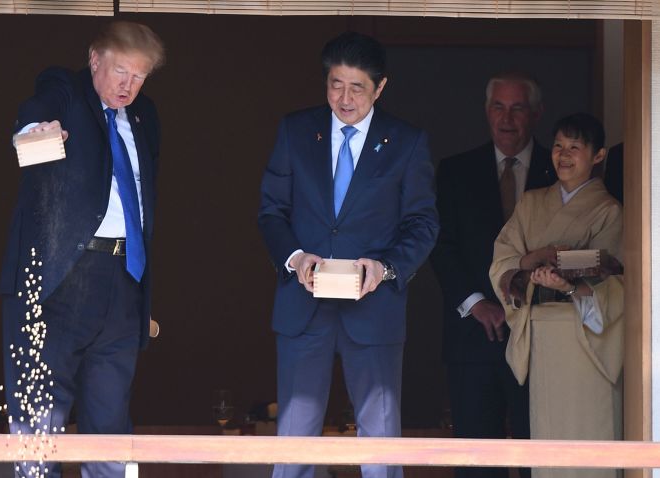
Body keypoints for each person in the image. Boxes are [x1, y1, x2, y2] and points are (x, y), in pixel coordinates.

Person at [257, 31, 439, 478]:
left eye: (357, 87)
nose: (344, 96)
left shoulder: (406, 141)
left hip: (373, 307)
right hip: (304, 308)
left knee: (379, 444)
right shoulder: (297, 130)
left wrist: (386, 266)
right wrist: (296, 257)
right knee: (294, 442)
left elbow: (423, 223)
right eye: (335, 84)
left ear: (380, 87)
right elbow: (271, 211)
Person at [0, 21, 165, 478]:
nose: (128, 86)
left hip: (122, 280)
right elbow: (37, 109)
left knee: (111, 424)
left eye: (140, 76)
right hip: (59, 277)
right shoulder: (66, 89)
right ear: (95, 59)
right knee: (39, 420)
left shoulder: (145, 116)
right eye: (120, 72)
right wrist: (36, 128)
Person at [429, 73, 554, 478]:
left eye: (517, 107)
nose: (507, 117)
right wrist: (475, 302)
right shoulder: (455, 171)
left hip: (542, 340)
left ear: (535, 114)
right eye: (498, 107)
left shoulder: (562, 168)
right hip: (473, 340)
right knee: (476, 462)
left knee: (542, 456)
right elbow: (440, 245)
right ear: (487, 112)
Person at [489, 113, 623, 478]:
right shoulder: (531, 203)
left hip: (586, 339)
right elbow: (503, 258)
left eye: (575, 147)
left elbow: (615, 284)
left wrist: (568, 286)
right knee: (549, 443)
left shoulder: (609, 210)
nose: (563, 155)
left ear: (598, 156)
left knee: (589, 437)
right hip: (542, 335)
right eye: (559, 146)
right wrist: (531, 262)